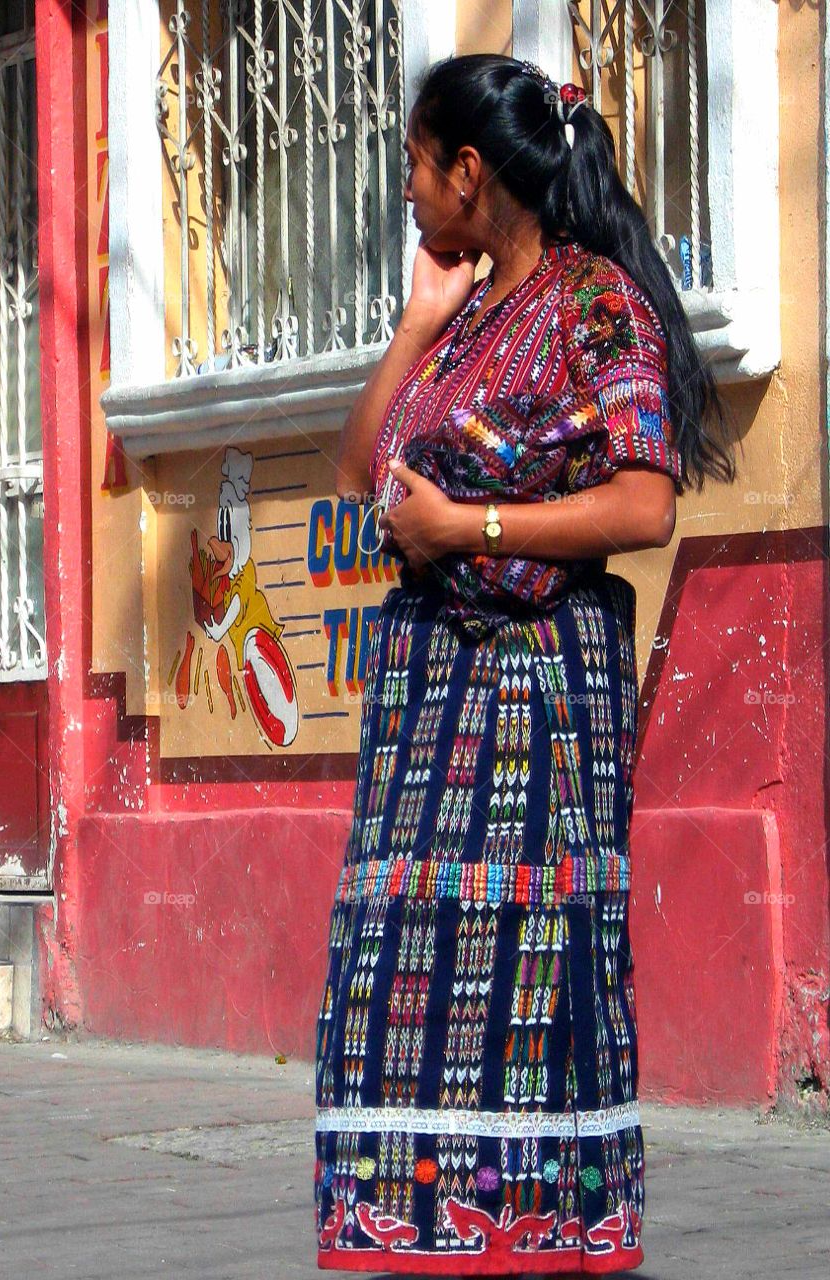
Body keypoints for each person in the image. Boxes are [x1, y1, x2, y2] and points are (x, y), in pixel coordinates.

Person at [313, 54, 736, 1277]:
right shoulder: (468, 318)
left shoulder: (597, 303)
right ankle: (422, 1229)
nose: (403, 190)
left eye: (413, 163)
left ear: (469, 169)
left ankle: (537, 1235)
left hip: (535, 694)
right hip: (428, 701)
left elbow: (645, 503)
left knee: (522, 970)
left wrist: (470, 529)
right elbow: (357, 471)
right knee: (397, 970)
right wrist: (416, 321)